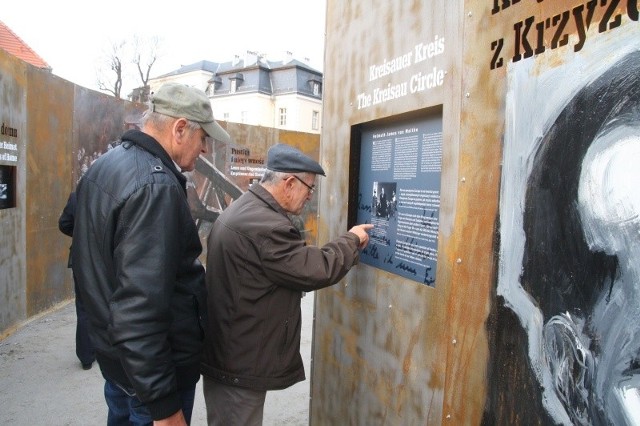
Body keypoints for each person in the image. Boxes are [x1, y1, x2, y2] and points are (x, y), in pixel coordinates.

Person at [71, 82, 230, 426]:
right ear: (180, 128)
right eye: (203, 138)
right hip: (153, 377)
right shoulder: (155, 187)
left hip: (120, 365)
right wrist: (163, 406)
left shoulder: (106, 164)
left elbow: (78, 231)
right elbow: (139, 307)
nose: (204, 149)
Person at [201, 143, 373, 426]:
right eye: (310, 188)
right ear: (289, 182)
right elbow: (315, 269)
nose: (309, 197)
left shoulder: (246, 208)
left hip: (231, 354)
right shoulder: (267, 226)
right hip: (238, 366)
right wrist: (352, 240)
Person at [58, 191, 95, 370]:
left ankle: (86, 357)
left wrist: (80, 234)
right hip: (106, 258)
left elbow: (64, 224)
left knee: (83, 306)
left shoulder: (77, 195)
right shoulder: (115, 190)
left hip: (81, 257)